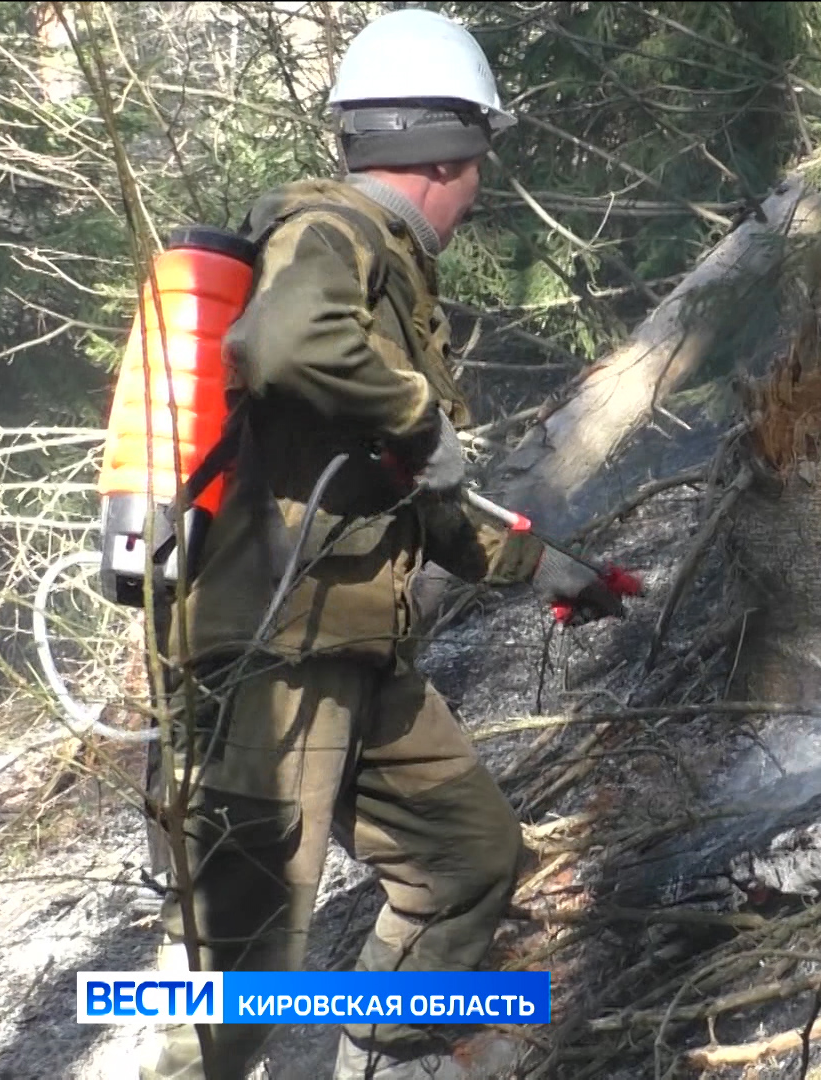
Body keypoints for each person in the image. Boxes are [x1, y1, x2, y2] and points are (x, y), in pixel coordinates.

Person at [136, 9, 619, 1079]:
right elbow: (282, 343)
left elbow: (413, 495)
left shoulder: (387, 270)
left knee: (468, 856)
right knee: (238, 961)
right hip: (271, 659)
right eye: (481, 157)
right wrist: (415, 414)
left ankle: (386, 1053)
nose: (483, 181)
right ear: (447, 151)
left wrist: (551, 570)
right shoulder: (331, 229)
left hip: (350, 648)